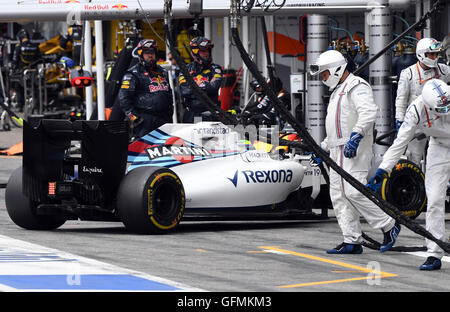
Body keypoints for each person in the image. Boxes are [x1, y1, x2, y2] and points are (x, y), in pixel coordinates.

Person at [309, 49, 401, 254]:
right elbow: (335, 126)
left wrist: (356, 136)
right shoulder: (338, 92)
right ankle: (351, 240)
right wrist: (323, 148)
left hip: (354, 150)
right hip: (337, 151)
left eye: (324, 74)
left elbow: (368, 113)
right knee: (339, 196)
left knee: (353, 191)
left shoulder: (357, 86)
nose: (323, 79)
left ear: (336, 69)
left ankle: (389, 224)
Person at [368, 79, 450, 270]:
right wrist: (383, 169)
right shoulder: (415, 110)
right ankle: (434, 252)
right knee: (435, 199)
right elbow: (400, 142)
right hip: (439, 147)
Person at [394, 38, 450, 166]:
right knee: (414, 158)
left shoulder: (443, 70)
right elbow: (401, 100)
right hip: (417, 123)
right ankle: (416, 183)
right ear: (421, 54)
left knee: (441, 156)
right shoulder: (408, 73)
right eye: (432, 54)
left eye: (436, 54)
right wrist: (400, 121)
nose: (435, 57)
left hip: (439, 121)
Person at [119, 39, 173, 138]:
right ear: (141, 54)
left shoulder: (163, 72)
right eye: (147, 53)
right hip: (145, 120)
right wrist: (135, 118)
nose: (150, 55)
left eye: (152, 52)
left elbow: (169, 94)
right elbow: (124, 99)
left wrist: (170, 114)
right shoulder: (132, 74)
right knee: (144, 150)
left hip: (164, 119)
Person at [178, 36, 223, 123]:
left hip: (211, 114)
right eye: (203, 51)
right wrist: (206, 85)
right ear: (194, 53)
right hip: (192, 114)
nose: (206, 54)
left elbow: (214, 87)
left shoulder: (216, 68)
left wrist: (194, 87)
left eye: (208, 50)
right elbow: (184, 91)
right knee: (190, 136)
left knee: (210, 137)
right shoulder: (186, 69)